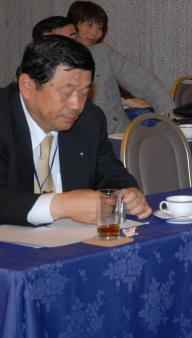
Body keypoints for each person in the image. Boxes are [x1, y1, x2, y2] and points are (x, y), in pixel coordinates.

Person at [0, 36, 151, 227]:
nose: (77, 105)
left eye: (84, 93)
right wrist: (62, 205)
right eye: (66, 92)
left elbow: (109, 172)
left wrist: (127, 193)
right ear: (27, 86)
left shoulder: (89, 120)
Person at [67, 0, 176, 134]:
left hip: (115, 133)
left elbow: (146, 83)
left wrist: (171, 121)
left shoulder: (103, 53)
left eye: (100, 28)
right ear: (73, 25)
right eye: (89, 25)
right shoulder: (55, 60)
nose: (94, 33)